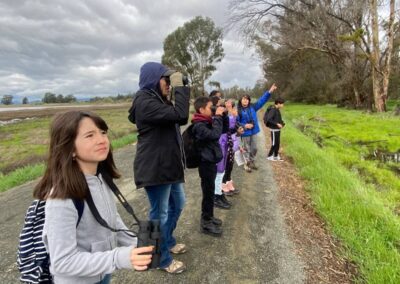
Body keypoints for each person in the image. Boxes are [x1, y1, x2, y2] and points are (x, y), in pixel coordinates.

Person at [35, 110, 153, 284]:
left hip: (101, 272)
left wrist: (137, 243)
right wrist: (118, 257)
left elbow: (112, 220)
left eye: (103, 132)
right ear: (70, 148)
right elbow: (62, 262)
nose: (102, 139)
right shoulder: (61, 198)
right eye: (90, 135)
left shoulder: (101, 178)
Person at [128, 62, 190, 274]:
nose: (170, 85)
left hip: (168, 167)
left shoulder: (157, 100)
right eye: (167, 80)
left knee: (179, 203)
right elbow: (182, 115)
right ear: (154, 80)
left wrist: (181, 86)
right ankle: (162, 258)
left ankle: (168, 240)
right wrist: (180, 88)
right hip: (155, 168)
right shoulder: (145, 101)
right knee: (160, 214)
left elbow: (176, 114)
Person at [192, 96, 225, 236]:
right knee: (207, 192)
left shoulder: (206, 121)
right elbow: (215, 135)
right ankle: (205, 223)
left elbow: (223, 129)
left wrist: (222, 115)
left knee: (210, 192)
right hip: (205, 163)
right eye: (210, 107)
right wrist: (217, 116)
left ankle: (209, 217)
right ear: (201, 109)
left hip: (210, 161)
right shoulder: (199, 125)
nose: (212, 109)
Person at [237, 83, 277, 172]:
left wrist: (269, 91)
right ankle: (246, 164)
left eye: (247, 99)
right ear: (240, 100)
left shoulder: (253, 107)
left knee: (254, 148)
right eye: (244, 99)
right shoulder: (238, 110)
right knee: (246, 148)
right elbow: (236, 122)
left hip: (254, 131)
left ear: (249, 100)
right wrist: (244, 125)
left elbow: (262, 101)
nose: (245, 101)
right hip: (245, 132)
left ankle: (252, 161)